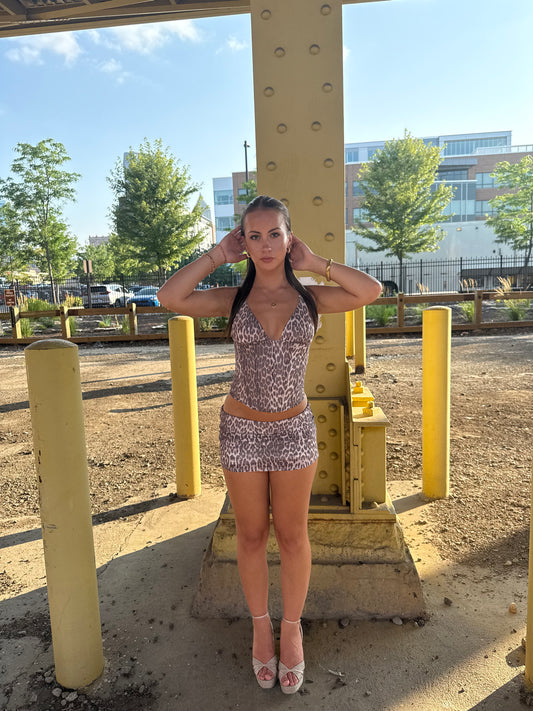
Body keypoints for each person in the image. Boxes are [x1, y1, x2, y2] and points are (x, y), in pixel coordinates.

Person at [157, 195, 382, 694]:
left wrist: (316, 262)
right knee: (252, 536)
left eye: (274, 234)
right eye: (253, 236)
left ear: (288, 238)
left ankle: (291, 629)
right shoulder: (233, 299)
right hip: (241, 431)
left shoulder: (311, 297)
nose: (264, 245)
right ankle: (261, 628)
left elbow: (370, 290)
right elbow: (169, 297)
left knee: (294, 535)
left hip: (294, 431)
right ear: (243, 241)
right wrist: (217, 256)